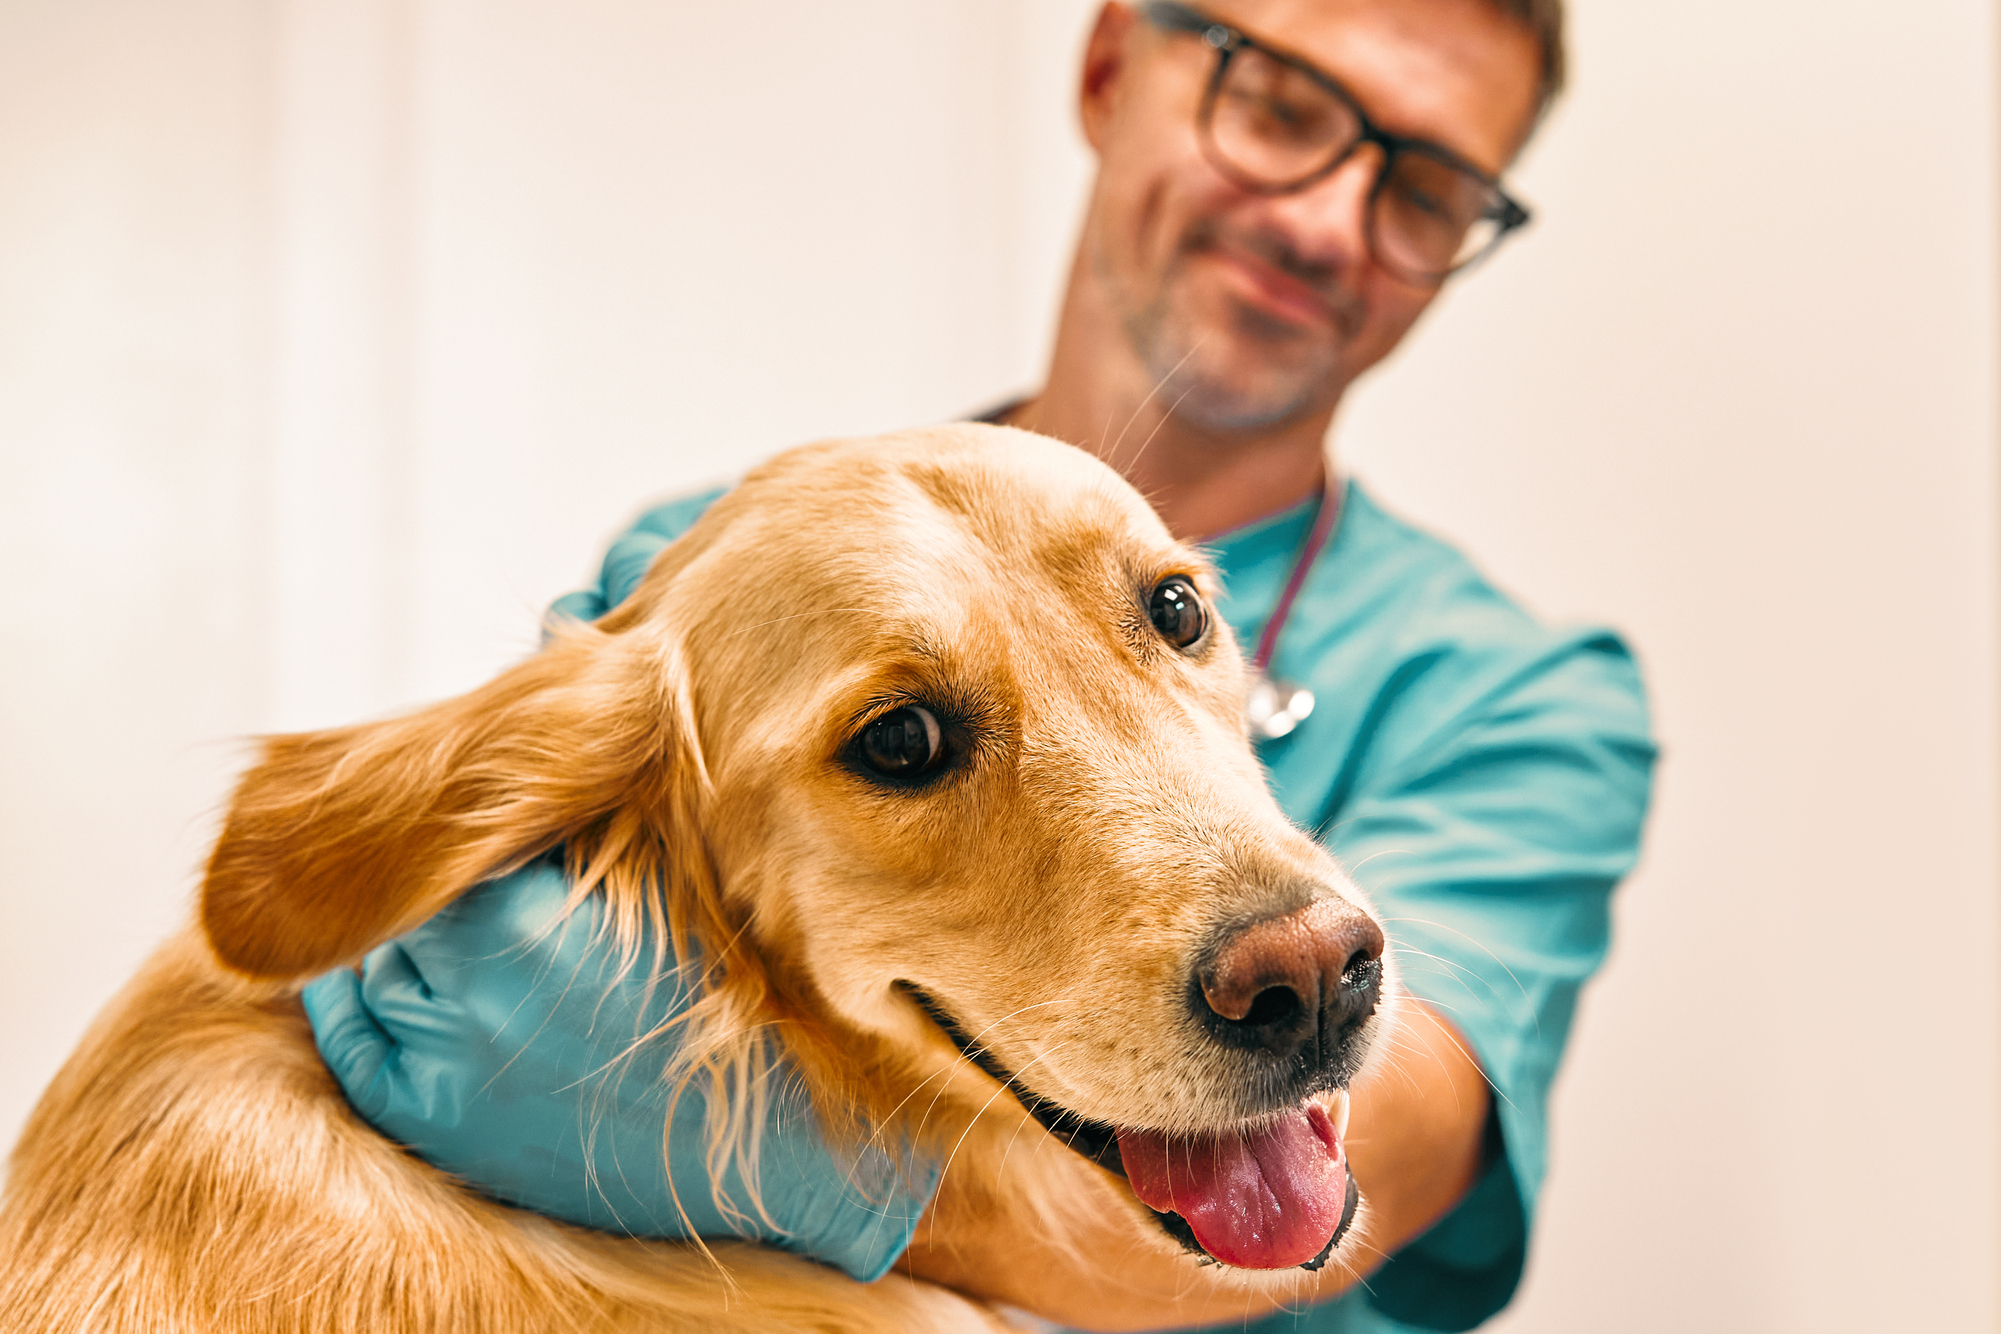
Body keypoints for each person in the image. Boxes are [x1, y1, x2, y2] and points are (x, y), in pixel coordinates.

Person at [301, 1, 1654, 1330]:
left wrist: (735, 1151)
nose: (1319, 222)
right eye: (1280, 106)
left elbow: (1395, 1150)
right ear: (1114, 65)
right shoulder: (703, 580)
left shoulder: (1520, 697)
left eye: (1423, 189)